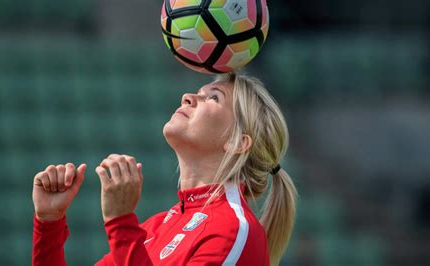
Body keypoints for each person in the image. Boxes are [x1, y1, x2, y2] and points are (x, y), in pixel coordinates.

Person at [32, 72, 298, 266]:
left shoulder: (235, 230)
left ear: (237, 142)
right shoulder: (157, 226)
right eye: (199, 92)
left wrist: (120, 221)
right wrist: (49, 223)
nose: (189, 97)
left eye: (213, 98)